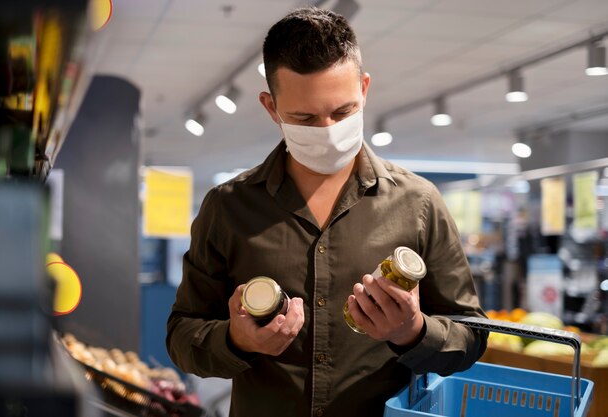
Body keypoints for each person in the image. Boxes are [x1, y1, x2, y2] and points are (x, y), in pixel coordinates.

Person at [167, 7, 488, 417]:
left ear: (365, 89)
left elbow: (472, 336)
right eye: (304, 118)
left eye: (343, 112)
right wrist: (236, 340)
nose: (328, 131)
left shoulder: (419, 203)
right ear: (271, 107)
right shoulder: (228, 207)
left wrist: (414, 332)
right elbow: (182, 335)